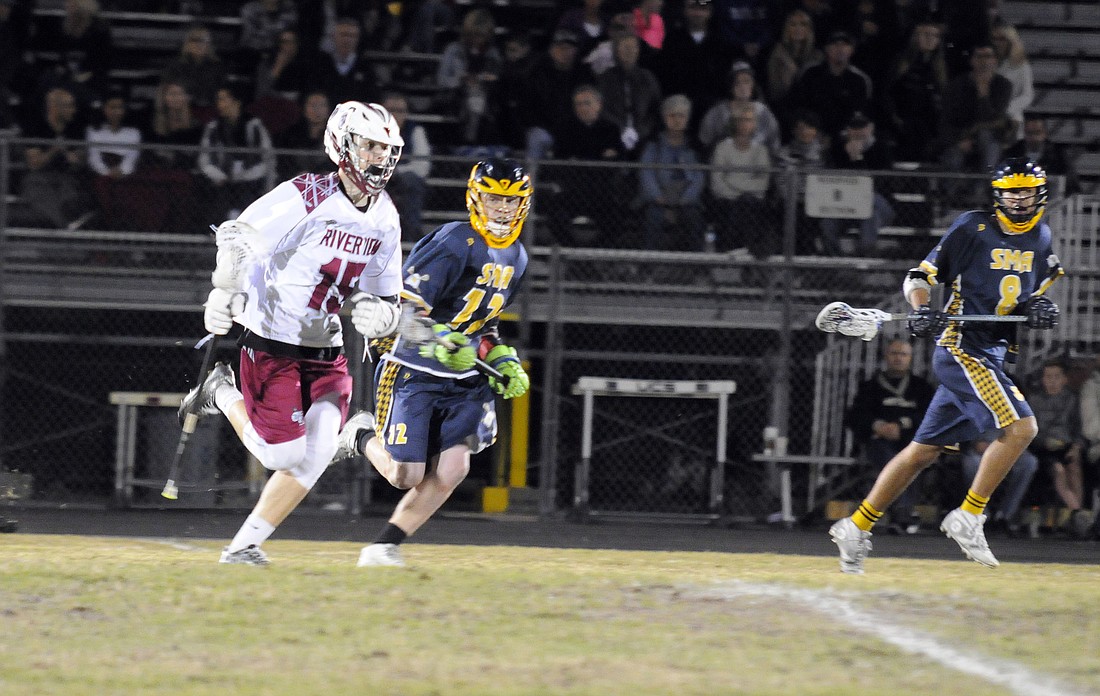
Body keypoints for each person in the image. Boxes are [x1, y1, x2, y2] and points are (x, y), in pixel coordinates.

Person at [181, 101, 407, 565]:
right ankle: (221, 391)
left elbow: (387, 296)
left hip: (326, 345)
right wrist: (223, 291)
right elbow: (239, 235)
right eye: (369, 145)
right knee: (279, 455)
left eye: (386, 149)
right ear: (342, 146)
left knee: (317, 452)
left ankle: (243, 547)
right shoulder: (306, 195)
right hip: (272, 338)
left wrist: (381, 317)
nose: (379, 158)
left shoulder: (385, 215)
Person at [829, 157, 1062, 574]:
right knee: (1022, 428)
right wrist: (921, 309)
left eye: (1026, 191)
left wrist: (1036, 307)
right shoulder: (973, 227)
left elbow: (1021, 297)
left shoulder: (1041, 235)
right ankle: (969, 515)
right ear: (998, 196)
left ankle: (856, 525)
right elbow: (918, 276)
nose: (1020, 200)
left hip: (993, 352)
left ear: (1039, 193)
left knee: (922, 452)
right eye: (1012, 192)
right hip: (962, 347)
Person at [333, 158, 533, 567]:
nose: (501, 209)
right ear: (476, 198)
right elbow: (398, 310)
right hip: (414, 368)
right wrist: (439, 337)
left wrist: (498, 354)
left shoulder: (518, 256)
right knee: (405, 474)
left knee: (454, 468)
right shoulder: (454, 242)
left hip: (463, 377)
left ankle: (384, 545)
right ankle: (359, 436)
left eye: (510, 201)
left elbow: (485, 321)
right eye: (494, 198)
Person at [844, 339, 935, 534]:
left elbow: (929, 416)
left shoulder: (921, 387)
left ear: (910, 358)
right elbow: (856, 415)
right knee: (892, 461)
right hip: (879, 441)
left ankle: (899, 513)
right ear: (886, 356)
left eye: (903, 354)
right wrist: (878, 426)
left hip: (911, 441)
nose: (898, 358)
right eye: (894, 353)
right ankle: (902, 514)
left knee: (913, 460)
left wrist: (901, 425)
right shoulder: (870, 386)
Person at [817, 111, 896, 258]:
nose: (858, 131)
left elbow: (879, 183)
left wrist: (858, 158)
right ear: (847, 130)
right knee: (827, 223)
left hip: (877, 205)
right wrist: (849, 156)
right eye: (854, 127)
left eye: (862, 127)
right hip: (845, 205)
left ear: (870, 128)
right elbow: (833, 181)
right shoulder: (839, 149)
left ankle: (863, 260)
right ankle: (835, 264)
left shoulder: (881, 148)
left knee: (870, 212)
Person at [1026, 359, 1090, 537]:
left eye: (1056, 377)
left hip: (1066, 446)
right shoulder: (1035, 400)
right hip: (1043, 448)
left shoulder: (1071, 399)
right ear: (1043, 379)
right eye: (1048, 377)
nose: (1052, 381)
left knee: (1074, 466)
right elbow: (1031, 431)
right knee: (1059, 470)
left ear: (1064, 379)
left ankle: (1076, 518)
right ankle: (1078, 512)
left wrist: (1076, 446)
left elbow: (1078, 429)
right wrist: (1046, 441)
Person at [197, 83, 275, 224]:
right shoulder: (213, 128)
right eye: (219, 100)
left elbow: (267, 159)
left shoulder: (254, 126)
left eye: (224, 99)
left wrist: (245, 176)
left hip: (251, 181)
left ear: (237, 102)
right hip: (221, 182)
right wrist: (219, 176)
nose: (220, 104)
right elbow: (205, 159)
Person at [637, 94, 706, 251]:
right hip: (659, 198)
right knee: (653, 217)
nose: (676, 120)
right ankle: (648, 267)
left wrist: (684, 200)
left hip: (687, 200)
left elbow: (699, 178)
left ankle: (698, 268)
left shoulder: (694, 146)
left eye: (681, 115)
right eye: (671, 115)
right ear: (664, 118)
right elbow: (646, 173)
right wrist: (659, 198)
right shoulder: (654, 144)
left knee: (694, 220)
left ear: (687, 118)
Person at [960, 435, 1038, 536]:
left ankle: (1004, 516)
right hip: (978, 446)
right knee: (973, 464)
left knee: (1029, 462)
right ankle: (981, 515)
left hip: (1009, 446)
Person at [381, 91, 431, 242]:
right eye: (390, 111)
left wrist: (396, 171)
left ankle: (410, 237)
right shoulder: (370, 130)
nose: (395, 115)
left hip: (403, 180)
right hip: (377, 178)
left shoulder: (415, 131)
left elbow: (423, 166)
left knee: (412, 181)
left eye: (400, 111)